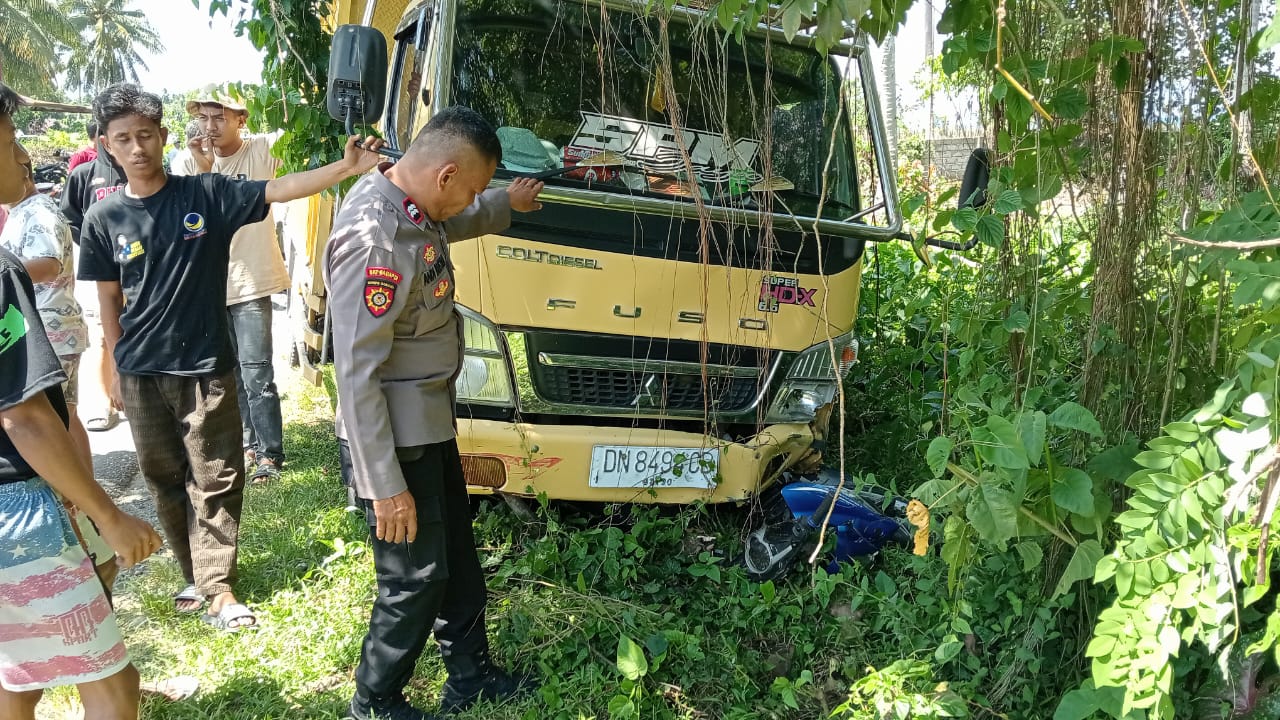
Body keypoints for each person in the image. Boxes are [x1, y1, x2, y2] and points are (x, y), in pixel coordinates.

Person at [77, 83, 386, 631]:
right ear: (106, 144)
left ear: (163, 136)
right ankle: (194, 574)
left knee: (216, 476)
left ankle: (219, 587)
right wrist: (116, 369)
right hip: (142, 369)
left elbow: (280, 188)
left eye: (146, 135)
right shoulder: (103, 217)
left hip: (206, 365)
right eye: (123, 138)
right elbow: (108, 299)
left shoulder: (207, 195)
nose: (137, 148)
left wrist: (346, 167)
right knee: (164, 477)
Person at [325, 106, 543, 720]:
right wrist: (384, 485)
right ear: (445, 174)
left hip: (428, 422)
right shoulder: (375, 240)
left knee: (457, 560)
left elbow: (457, 218)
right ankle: (374, 701)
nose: (469, 200)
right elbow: (356, 375)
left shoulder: (413, 206)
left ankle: (471, 678)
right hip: (392, 440)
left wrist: (503, 202)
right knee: (414, 577)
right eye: (470, 188)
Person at [0, 79, 164, 720]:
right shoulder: (2, 270)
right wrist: (107, 514)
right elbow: (23, 416)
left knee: (18, 675)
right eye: (11, 141)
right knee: (112, 687)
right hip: (16, 511)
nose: (23, 156)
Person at [173, 93, 289, 484]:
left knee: (258, 374)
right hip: (211, 286)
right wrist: (205, 167)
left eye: (220, 117)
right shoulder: (187, 162)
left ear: (241, 120)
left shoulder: (262, 150)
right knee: (228, 375)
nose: (210, 126)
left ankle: (270, 454)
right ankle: (248, 445)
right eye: (204, 118)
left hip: (252, 282)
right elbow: (191, 219)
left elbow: (298, 131)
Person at [62, 127, 127, 434]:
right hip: (100, 270)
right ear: (104, 139)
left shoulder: (141, 171)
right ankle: (103, 402)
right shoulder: (84, 174)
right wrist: (95, 247)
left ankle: (135, 395)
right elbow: (70, 217)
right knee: (101, 332)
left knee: (134, 328)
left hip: (139, 267)